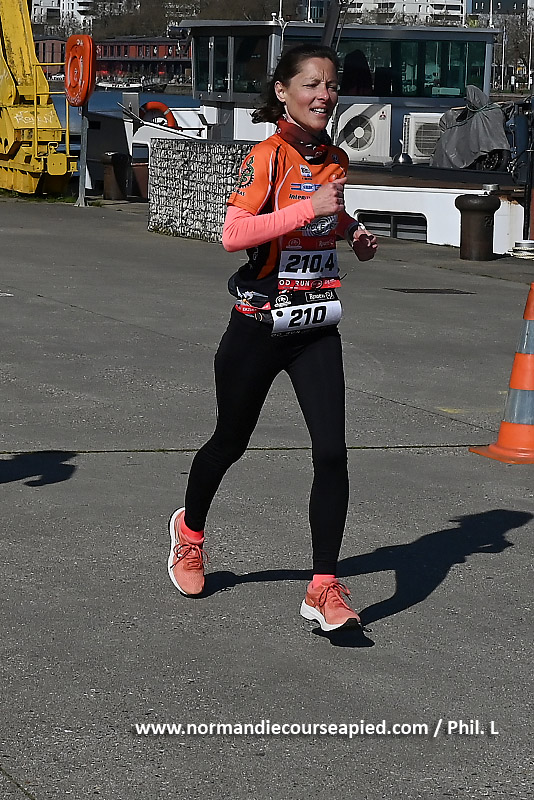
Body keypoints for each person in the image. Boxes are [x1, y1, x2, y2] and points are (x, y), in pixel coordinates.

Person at [167, 43, 377, 632]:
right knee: (229, 443)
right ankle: (189, 532)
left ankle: (323, 586)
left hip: (315, 327)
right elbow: (233, 235)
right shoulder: (266, 157)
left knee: (332, 453)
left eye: (331, 85)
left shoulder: (334, 158)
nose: (324, 95)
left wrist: (352, 231)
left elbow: (328, 215)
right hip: (258, 326)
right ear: (283, 92)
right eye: (311, 84)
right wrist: (308, 209)